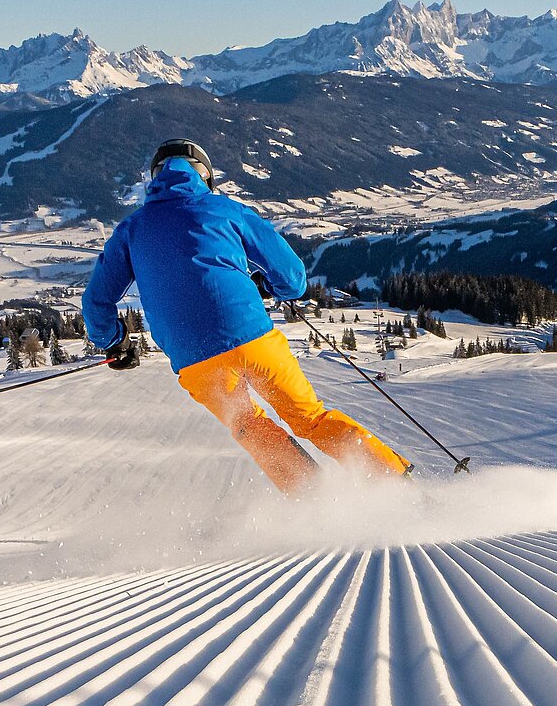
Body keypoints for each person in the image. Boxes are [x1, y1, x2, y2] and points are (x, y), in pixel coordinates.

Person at [82, 138, 411, 493]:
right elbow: (293, 278)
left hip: (196, 360)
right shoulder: (227, 210)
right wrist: (268, 287)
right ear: (206, 178)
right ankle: (396, 484)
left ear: (154, 178)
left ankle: (315, 503)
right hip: (253, 340)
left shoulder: (131, 230)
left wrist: (115, 341)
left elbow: (96, 302)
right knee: (309, 419)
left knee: (248, 427)